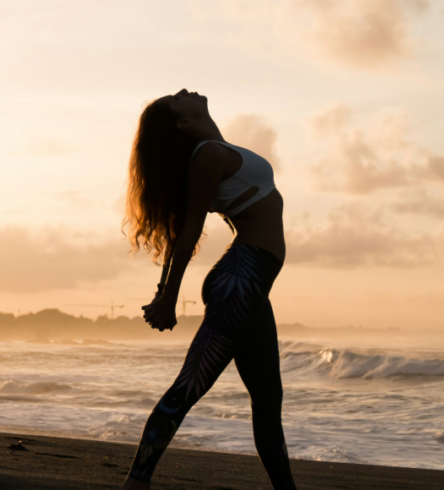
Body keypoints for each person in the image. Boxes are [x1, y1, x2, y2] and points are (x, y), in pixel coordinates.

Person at [119, 88, 296, 490]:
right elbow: (189, 233)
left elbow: (185, 229)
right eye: (176, 99)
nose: (184, 91)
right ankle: (135, 483)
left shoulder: (215, 151)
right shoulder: (208, 155)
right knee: (188, 387)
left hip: (250, 285)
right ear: (184, 122)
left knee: (269, 403)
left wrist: (168, 293)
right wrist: (167, 297)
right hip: (240, 282)